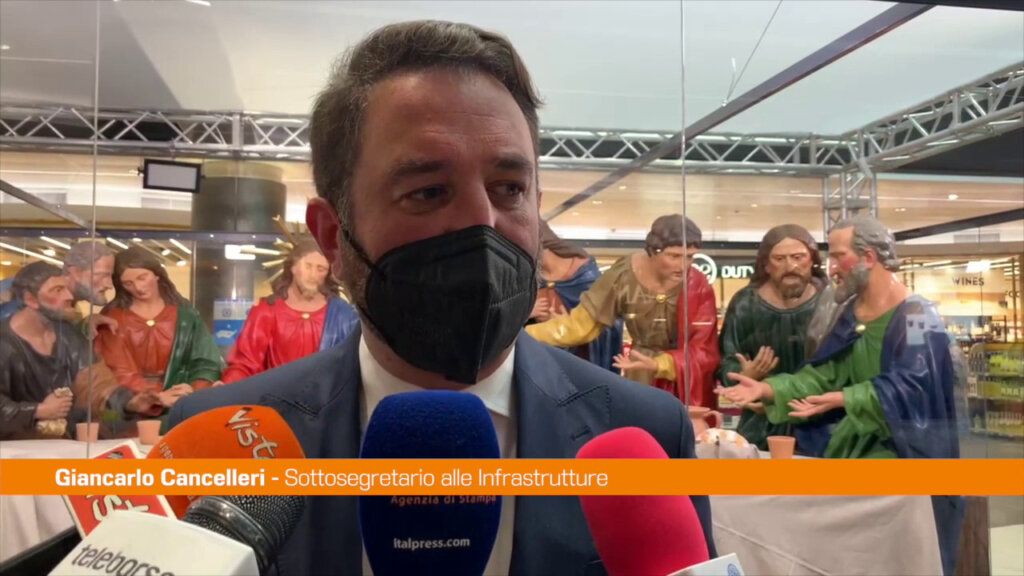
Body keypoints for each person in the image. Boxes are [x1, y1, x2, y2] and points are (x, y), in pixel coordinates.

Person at [166, 20, 715, 576]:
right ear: (333, 236)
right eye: (427, 192)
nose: (483, 222)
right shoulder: (214, 445)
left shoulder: (647, 432)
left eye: (509, 189)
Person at [717, 215, 964, 575]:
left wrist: (843, 399)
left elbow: (915, 386)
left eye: (838, 256)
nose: (830, 268)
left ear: (868, 258)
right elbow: (825, 373)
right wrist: (770, 388)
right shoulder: (852, 312)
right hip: (851, 447)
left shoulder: (917, 315)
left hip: (903, 453)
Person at [527, 214, 720, 408]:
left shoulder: (698, 285)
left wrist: (661, 364)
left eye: (689, 257)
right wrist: (524, 334)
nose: (683, 266)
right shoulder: (624, 275)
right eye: (674, 256)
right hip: (640, 373)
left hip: (685, 380)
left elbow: (704, 350)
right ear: (653, 251)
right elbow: (581, 326)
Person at [0, 262, 159, 440]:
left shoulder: (68, 336)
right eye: (58, 290)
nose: (69, 296)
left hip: (65, 444)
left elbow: (96, 385)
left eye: (67, 289)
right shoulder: (4, 342)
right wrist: (38, 411)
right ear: (31, 299)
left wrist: (130, 402)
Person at [714, 224, 829, 450]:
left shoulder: (830, 301)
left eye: (798, 257)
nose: (790, 266)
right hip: (762, 418)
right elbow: (726, 358)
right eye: (779, 259)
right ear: (766, 265)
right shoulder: (746, 303)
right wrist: (744, 375)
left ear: (812, 260)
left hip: (819, 417)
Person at [94, 247, 223, 422]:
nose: (138, 288)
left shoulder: (186, 316)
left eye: (142, 277)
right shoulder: (114, 319)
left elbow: (206, 362)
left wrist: (194, 392)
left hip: (185, 404)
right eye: (128, 283)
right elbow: (118, 370)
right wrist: (156, 396)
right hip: (132, 408)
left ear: (156, 274)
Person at [220, 238, 359, 384]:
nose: (313, 275)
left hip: (327, 396)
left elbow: (356, 365)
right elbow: (245, 364)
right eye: (308, 266)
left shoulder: (344, 315)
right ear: (293, 267)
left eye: (320, 269)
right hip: (276, 395)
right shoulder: (266, 312)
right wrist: (228, 386)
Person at [528, 220, 624, 372]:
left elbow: (607, 322)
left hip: (580, 363)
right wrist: (526, 313)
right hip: (541, 360)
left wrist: (567, 325)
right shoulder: (527, 277)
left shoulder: (586, 276)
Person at [0, 241, 117, 337]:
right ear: (76, 272)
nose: (109, 285)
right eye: (101, 275)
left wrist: (84, 325)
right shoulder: (25, 293)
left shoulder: (69, 309)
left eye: (110, 276)